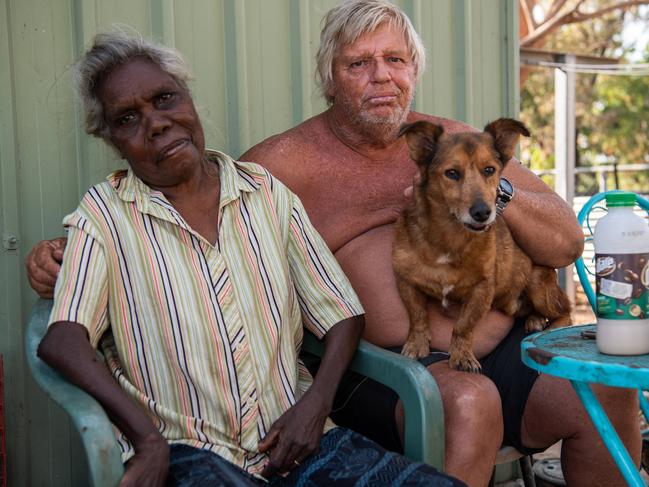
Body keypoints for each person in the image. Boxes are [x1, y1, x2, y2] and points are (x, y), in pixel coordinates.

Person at [26, 2, 640, 486]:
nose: (382, 77)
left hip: (499, 348)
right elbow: (183, 199)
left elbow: (563, 243)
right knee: (468, 403)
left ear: (413, 72)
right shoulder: (280, 166)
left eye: (395, 60)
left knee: (604, 397)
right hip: (392, 373)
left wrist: (488, 190)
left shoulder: (459, 144)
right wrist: (70, 249)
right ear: (330, 78)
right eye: (359, 63)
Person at [33, 29, 464, 487]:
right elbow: (62, 341)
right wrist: (147, 439)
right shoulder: (104, 215)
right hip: (189, 453)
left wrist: (315, 406)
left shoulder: (263, 192)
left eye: (165, 98)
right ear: (112, 139)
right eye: (127, 119)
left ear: (188, 100)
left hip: (299, 442)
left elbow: (341, 314)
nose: (156, 123)